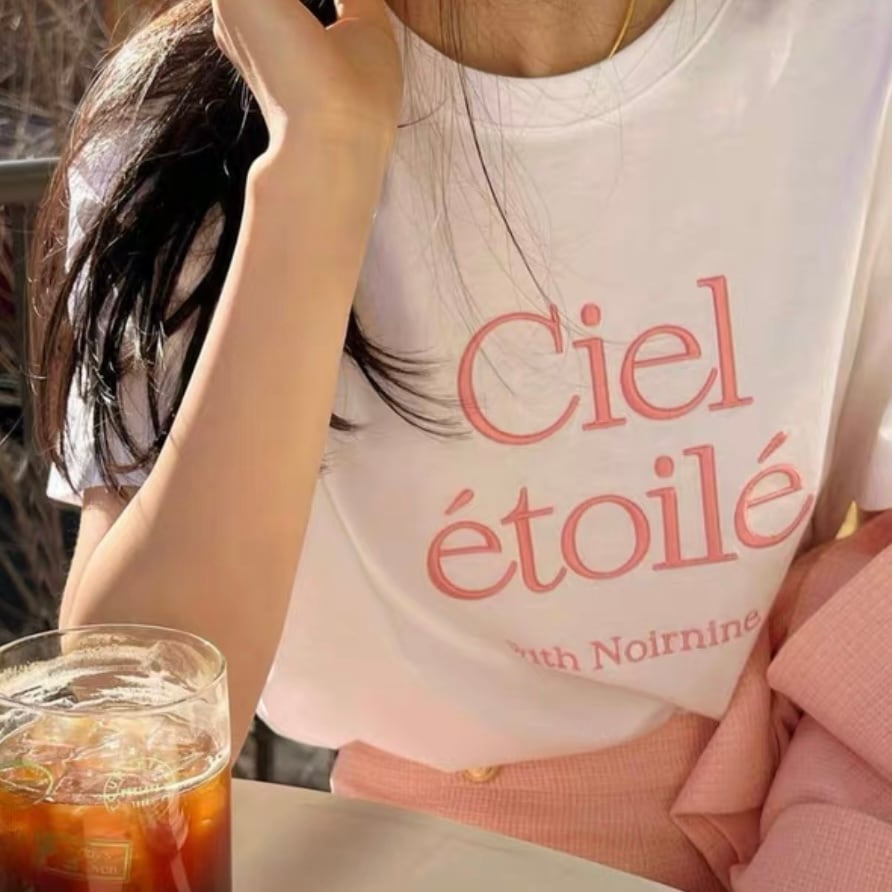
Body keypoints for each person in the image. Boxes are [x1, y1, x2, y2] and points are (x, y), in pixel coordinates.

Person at [32, 0, 892, 888]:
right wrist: (318, 162)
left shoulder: (852, 53)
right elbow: (122, 738)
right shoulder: (185, 125)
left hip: (814, 835)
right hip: (402, 863)